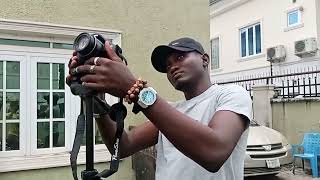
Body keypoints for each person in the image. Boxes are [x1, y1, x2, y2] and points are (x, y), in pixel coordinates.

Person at [67, 37, 252, 180]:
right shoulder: (171, 111)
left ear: (204, 60)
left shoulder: (231, 94)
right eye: (168, 65)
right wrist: (97, 99)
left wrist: (135, 88)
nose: (172, 67)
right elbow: (123, 146)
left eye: (180, 57)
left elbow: (214, 151)